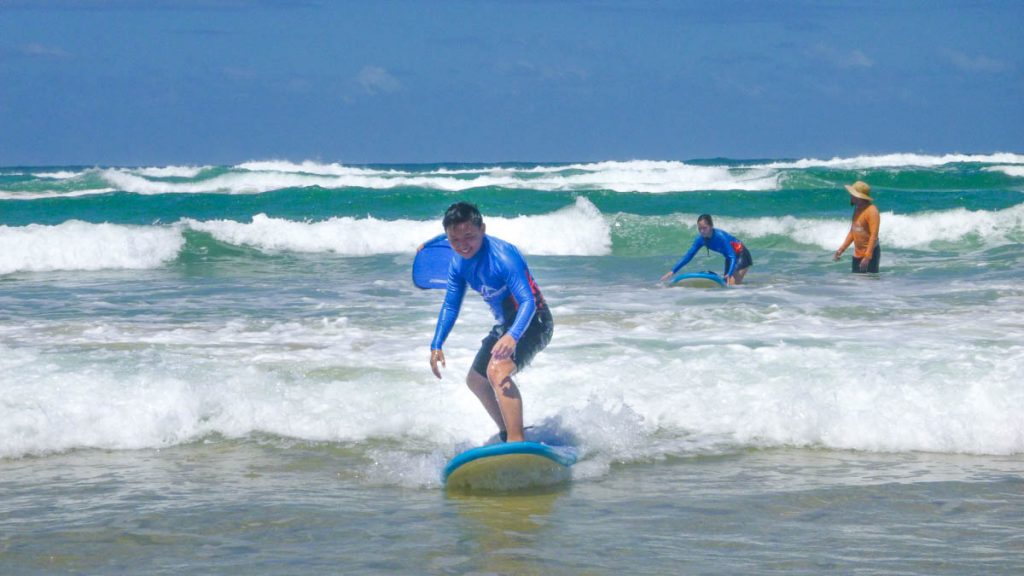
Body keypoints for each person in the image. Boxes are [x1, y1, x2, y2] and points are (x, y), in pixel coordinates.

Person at [428, 202, 553, 443]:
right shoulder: (458, 263)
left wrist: (512, 336)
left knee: (498, 371)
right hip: (506, 325)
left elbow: (527, 300)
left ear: (482, 229)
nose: (463, 245)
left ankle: (517, 441)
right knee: (476, 380)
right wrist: (436, 344)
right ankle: (508, 432)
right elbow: (451, 305)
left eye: (469, 237)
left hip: (534, 321)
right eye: (455, 240)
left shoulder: (503, 256)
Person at [659, 214, 753, 285]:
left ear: (711, 226)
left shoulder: (720, 237)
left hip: (741, 254)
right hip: (729, 258)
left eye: (705, 228)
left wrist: (729, 273)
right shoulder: (700, 239)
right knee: (726, 284)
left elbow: (732, 255)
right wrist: (673, 271)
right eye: (700, 229)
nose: (702, 231)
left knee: (732, 284)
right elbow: (688, 256)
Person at [833, 180, 880, 273]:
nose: (850, 196)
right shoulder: (857, 208)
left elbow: (873, 236)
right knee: (856, 283)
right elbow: (853, 232)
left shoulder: (872, 211)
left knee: (869, 284)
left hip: (870, 254)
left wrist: (867, 257)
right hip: (857, 254)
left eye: (852, 194)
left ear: (859, 197)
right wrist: (841, 249)